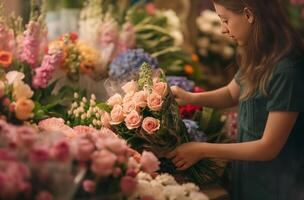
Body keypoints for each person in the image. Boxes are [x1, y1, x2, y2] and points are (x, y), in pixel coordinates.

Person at [167, 0, 304, 199]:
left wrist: (202, 150)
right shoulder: (259, 52)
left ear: (248, 15)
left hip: (277, 181)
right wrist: (190, 97)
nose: (223, 29)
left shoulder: (286, 70)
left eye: (225, 20)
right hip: (249, 171)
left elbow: (268, 148)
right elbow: (232, 93)